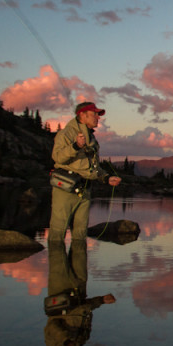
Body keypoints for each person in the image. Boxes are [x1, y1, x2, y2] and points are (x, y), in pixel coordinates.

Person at [48, 101, 121, 243]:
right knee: (58, 233)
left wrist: (106, 178)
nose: (98, 117)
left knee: (80, 235)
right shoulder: (66, 134)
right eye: (94, 114)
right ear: (82, 115)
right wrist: (75, 146)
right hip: (65, 190)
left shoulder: (92, 139)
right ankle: (57, 261)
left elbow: (92, 167)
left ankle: (79, 264)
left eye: (98, 114)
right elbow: (57, 157)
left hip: (85, 191)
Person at [44, 238, 116, 346]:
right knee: (80, 245)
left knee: (57, 248)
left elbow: (52, 327)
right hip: (79, 288)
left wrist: (68, 342)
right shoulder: (82, 340)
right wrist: (101, 300)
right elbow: (81, 308)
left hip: (60, 288)